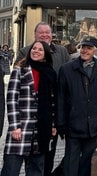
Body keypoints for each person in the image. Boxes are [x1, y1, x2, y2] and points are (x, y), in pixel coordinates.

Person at [14, 22, 70, 176]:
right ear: (35, 35)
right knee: (30, 156)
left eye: (47, 32)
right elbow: (16, 83)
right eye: (41, 33)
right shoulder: (26, 51)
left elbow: (69, 76)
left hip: (53, 112)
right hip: (29, 116)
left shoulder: (62, 52)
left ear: (52, 34)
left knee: (48, 153)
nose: (44, 35)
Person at [57, 35, 97, 176]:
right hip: (73, 124)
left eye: (89, 48)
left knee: (88, 161)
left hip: (95, 124)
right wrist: (60, 123)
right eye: (83, 47)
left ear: (95, 50)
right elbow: (61, 98)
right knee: (71, 161)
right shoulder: (66, 69)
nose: (85, 51)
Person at [1, 41, 57, 176]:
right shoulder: (20, 70)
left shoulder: (50, 73)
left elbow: (53, 102)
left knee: (36, 170)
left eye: (40, 49)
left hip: (41, 131)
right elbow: (11, 99)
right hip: (21, 129)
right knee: (11, 170)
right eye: (34, 48)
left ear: (45, 54)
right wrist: (15, 126)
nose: (36, 51)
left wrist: (53, 125)